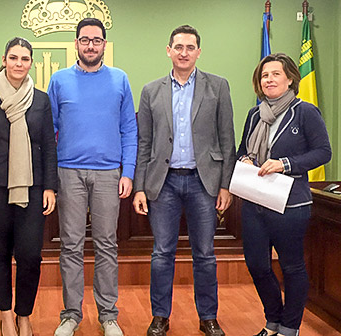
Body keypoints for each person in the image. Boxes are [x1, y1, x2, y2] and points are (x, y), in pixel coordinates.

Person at [133, 25, 237, 336]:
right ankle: (160, 317)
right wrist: (140, 187)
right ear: (168, 50)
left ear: (198, 52)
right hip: (162, 183)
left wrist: (225, 185)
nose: (184, 52)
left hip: (203, 183)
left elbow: (227, 139)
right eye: (178, 46)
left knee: (204, 253)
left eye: (190, 47)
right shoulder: (151, 91)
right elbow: (144, 142)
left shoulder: (218, 87)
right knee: (161, 253)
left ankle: (208, 318)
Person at [47, 17, 137, 336]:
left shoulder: (119, 79)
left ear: (104, 45)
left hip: (109, 174)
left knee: (106, 244)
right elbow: (50, 131)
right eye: (85, 40)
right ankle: (71, 314)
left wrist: (128, 173)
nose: (90, 45)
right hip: (68, 172)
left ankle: (108, 315)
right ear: (76, 44)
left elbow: (129, 129)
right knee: (70, 245)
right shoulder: (58, 81)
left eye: (96, 40)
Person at [237, 53, 331, 336]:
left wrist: (285, 164)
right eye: (265, 75)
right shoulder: (254, 115)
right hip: (254, 201)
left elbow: (323, 152)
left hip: (291, 203)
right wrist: (243, 159)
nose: (269, 80)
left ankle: (290, 328)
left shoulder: (305, 112)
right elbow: (242, 149)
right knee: (256, 264)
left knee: (292, 266)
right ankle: (273, 321)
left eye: (276, 74)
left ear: (290, 78)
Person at [0, 37, 57, 336]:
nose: (19, 64)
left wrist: (50, 187)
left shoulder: (42, 99)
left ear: (31, 63)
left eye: (24, 59)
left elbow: (48, 144)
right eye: (14, 58)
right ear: (4, 59)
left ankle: (24, 314)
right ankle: (6, 314)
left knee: (30, 254)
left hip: (32, 187)